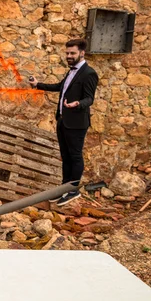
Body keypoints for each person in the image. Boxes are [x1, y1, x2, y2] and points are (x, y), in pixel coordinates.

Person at [29, 38, 99, 206]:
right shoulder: (71, 71)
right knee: (66, 157)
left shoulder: (89, 73)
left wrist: (78, 104)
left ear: (82, 53)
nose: (68, 56)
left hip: (76, 122)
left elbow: (89, 98)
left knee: (75, 156)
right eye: (67, 53)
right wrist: (38, 85)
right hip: (63, 120)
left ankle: (73, 190)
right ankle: (63, 189)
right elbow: (60, 87)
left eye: (72, 53)